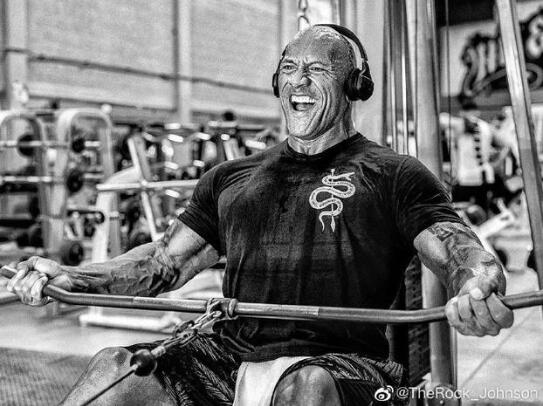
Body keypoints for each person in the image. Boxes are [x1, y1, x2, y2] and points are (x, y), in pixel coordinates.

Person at [7, 25, 513, 406]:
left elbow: (457, 249)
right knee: (114, 367)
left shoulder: (393, 174)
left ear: (353, 85)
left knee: (306, 387)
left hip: (341, 364)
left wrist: (477, 283)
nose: (299, 81)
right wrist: (70, 275)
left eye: (318, 70)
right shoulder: (232, 178)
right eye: (289, 68)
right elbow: (162, 262)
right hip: (226, 356)